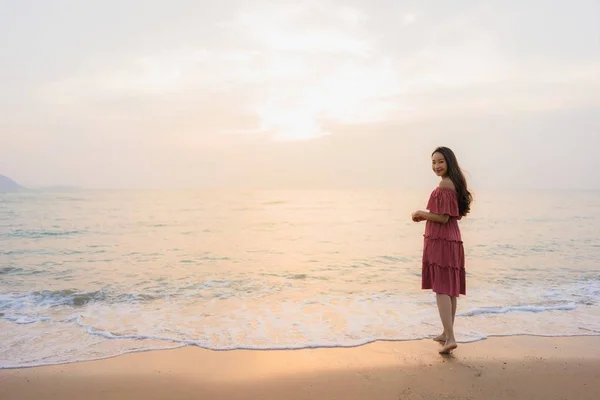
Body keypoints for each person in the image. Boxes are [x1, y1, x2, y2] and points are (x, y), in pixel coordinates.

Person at [411, 147, 472, 354]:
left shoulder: (445, 184)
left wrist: (422, 213)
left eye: (440, 162)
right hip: (451, 238)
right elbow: (448, 216)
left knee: (442, 289)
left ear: (449, 162)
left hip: (442, 240)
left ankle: (451, 337)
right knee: (450, 290)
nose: (436, 166)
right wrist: (427, 216)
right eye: (433, 162)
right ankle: (447, 333)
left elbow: (444, 218)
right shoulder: (455, 183)